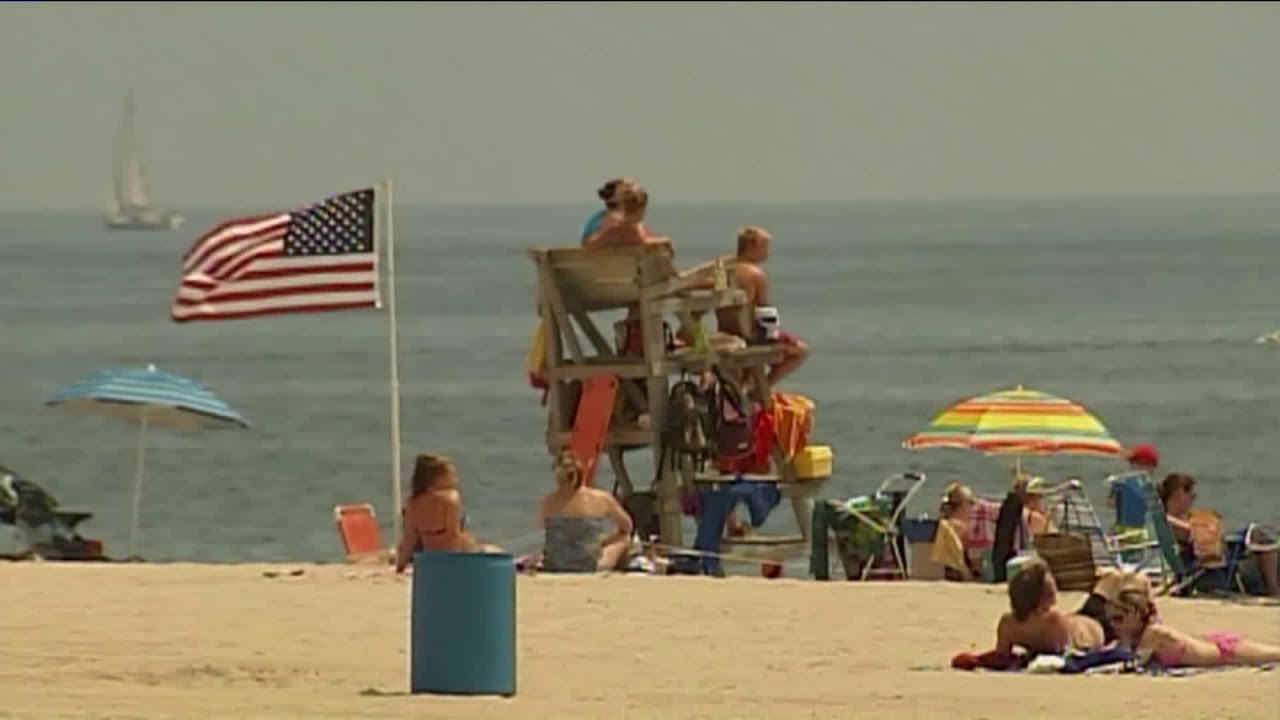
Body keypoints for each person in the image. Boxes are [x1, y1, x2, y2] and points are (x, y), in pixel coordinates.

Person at [714, 226, 809, 386]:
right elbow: (765, 313)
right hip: (750, 337)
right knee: (801, 351)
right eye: (764, 247)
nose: (767, 253)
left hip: (726, 333)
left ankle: (753, 384)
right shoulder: (756, 274)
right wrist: (774, 337)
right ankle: (765, 385)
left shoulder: (723, 271)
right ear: (753, 247)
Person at [1160, 472, 1279, 597]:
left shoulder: (1185, 518)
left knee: (1267, 541)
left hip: (1223, 562)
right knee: (1261, 536)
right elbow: (1197, 535)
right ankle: (1274, 591)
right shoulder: (1169, 521)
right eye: (1190, 494)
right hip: (1211, 569)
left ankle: (1273, 589)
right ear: (1177, 494)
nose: (1193, 498)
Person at [1109, 585, 1280, 667]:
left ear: (1137, 615)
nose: (1114, 624)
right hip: (1214, 646)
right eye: (1112, 620)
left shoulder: (1153, 633)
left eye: (1119, 619)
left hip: (1225, 652)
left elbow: (1131, 662)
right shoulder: (1139, 634)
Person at [537, 449, 634, 573]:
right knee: (624, 538)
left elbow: (543, 527)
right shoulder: (601, 498)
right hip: (590, 565)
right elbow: (627, 526)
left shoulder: (548, 501)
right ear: (583, 472)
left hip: (554, 564)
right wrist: (605, 541)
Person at [394, 454, 493, 573]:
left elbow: (408, 541)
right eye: (452, 476)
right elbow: (453, 536)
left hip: (429, 559)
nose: (456, 480)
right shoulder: (451, 499)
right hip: (453, 558)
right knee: (492, 551)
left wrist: (400, 568)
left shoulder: (412, 503)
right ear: (437, 479)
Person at [995, 558, 1112, 656]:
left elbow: (1002, 655)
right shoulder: (1052, 622)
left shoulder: (1009, 624)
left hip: (1095, 626)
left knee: (1104, 595)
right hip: (1091, 624)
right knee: (1102, 595)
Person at [585, 181, 668, 249]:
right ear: (643, 208)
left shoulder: (609, 227)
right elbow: (641, 242)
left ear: (621, 206)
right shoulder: (634, 230)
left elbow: (589, 246)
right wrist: (666, 242)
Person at [581, 177, 630, 244]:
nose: (609, 200)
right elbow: (586, 243)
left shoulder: (632, 218)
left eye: (612, 195)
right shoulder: (597, 218)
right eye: (607, 196)